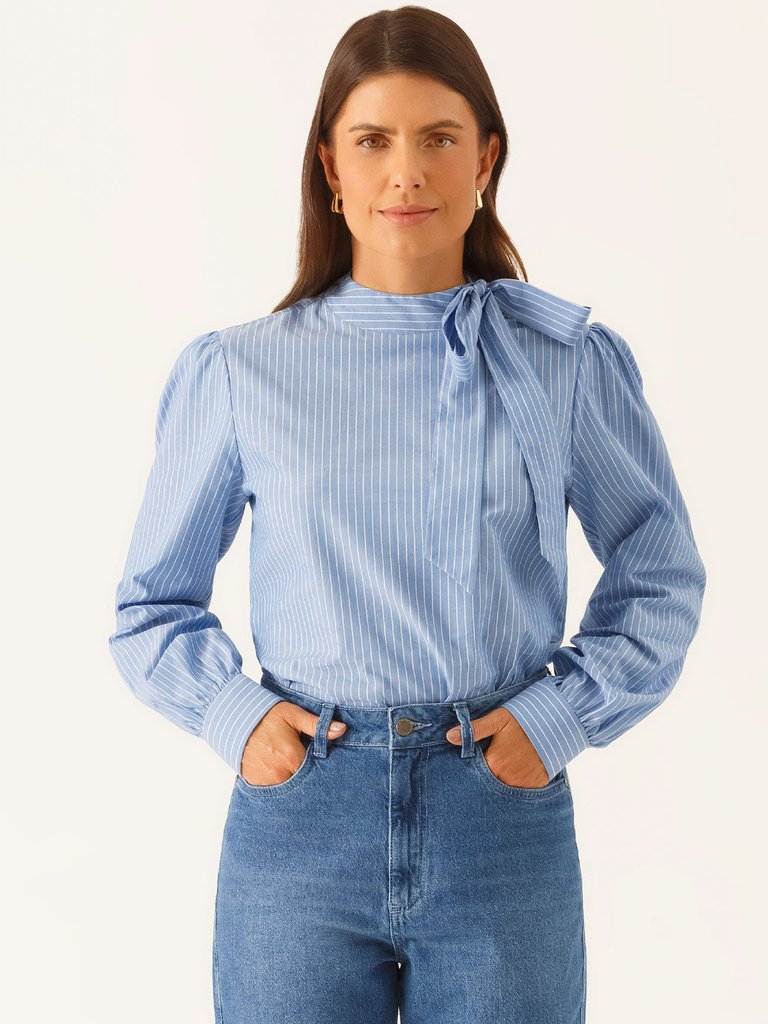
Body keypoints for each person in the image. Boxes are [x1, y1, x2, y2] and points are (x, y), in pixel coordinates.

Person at [107, 7, 706, 1023]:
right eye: (373, 141)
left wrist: (558, 718)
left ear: (486, 159)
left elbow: (661, 571)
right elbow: (149, 605)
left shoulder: (563, 363)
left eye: (438, 138)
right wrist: (237, 719)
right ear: (331, 169)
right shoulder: (242, 371)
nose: (407, 173)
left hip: (500, 814)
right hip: (301, 822)